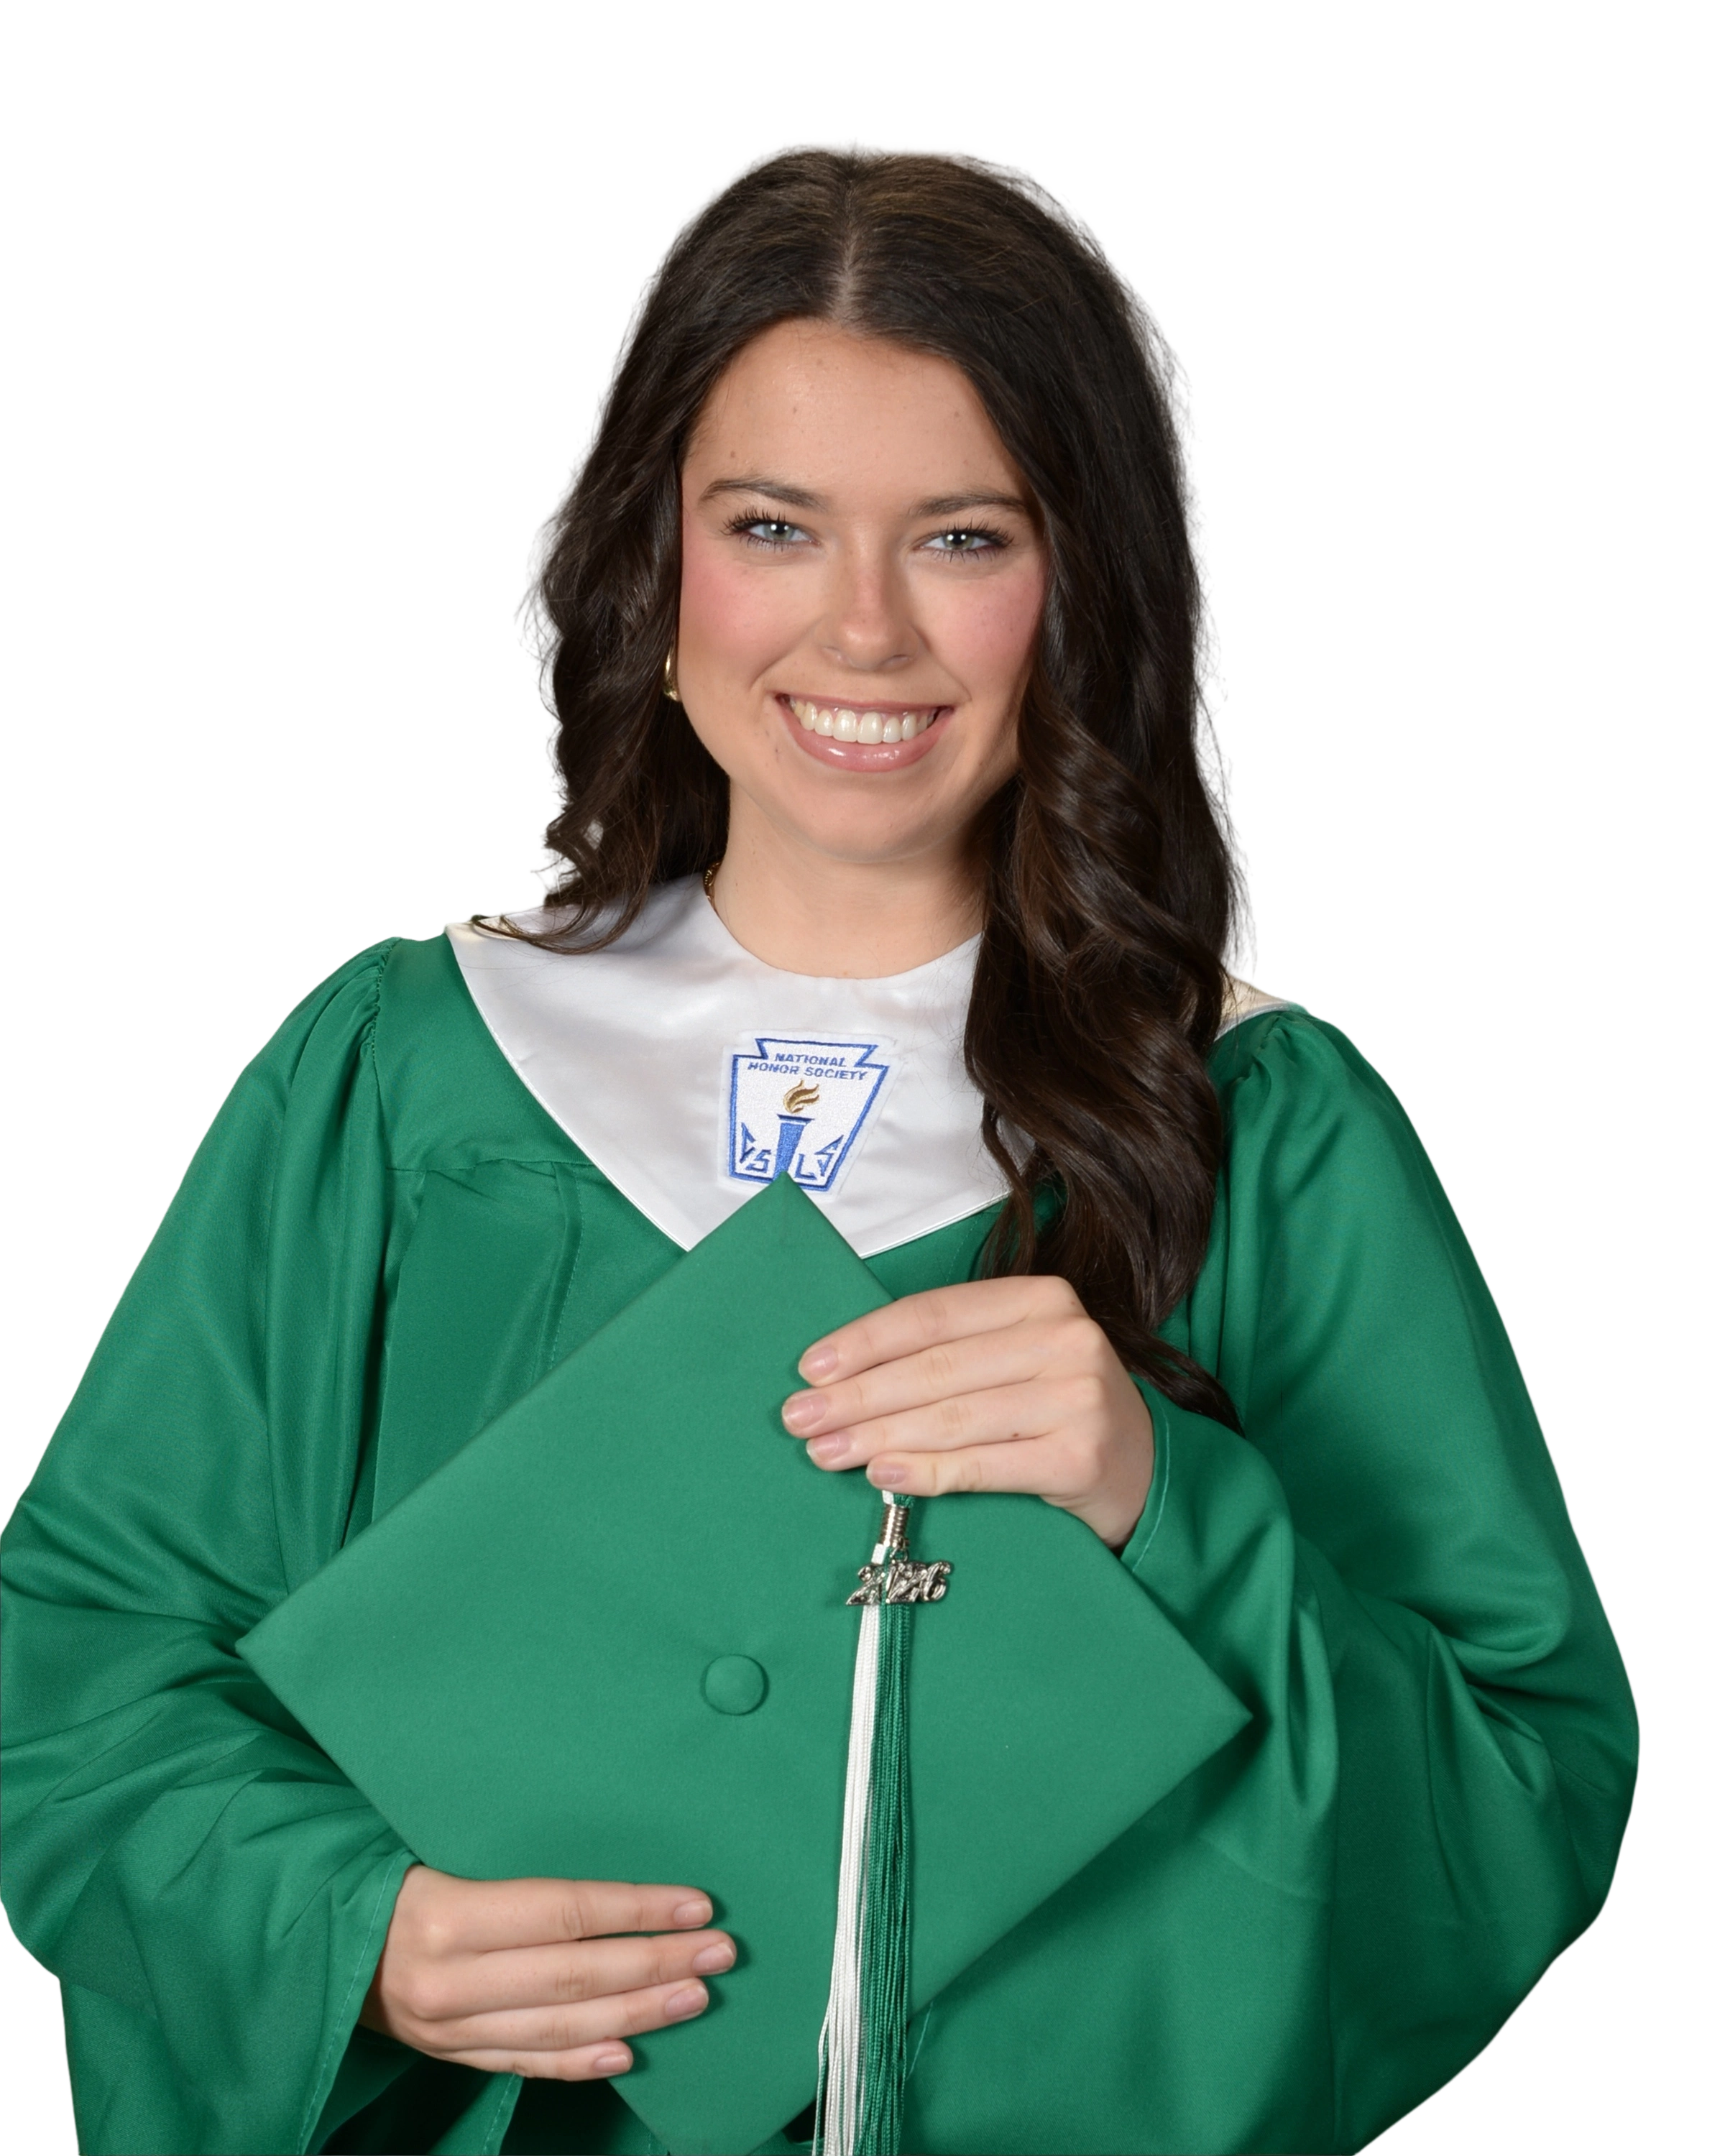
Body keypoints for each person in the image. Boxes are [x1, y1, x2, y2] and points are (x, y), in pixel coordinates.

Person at [1, 138, 1639, 2156]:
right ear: (652, 563)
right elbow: (79, 1673)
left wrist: (1164, 1506)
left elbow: (1517, 1798)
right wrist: (357, 1936)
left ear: (1086, 586)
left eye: (965, 537)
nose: (862, 632)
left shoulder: (1264, 1124)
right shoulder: (408, 1077)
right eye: (772, 525)